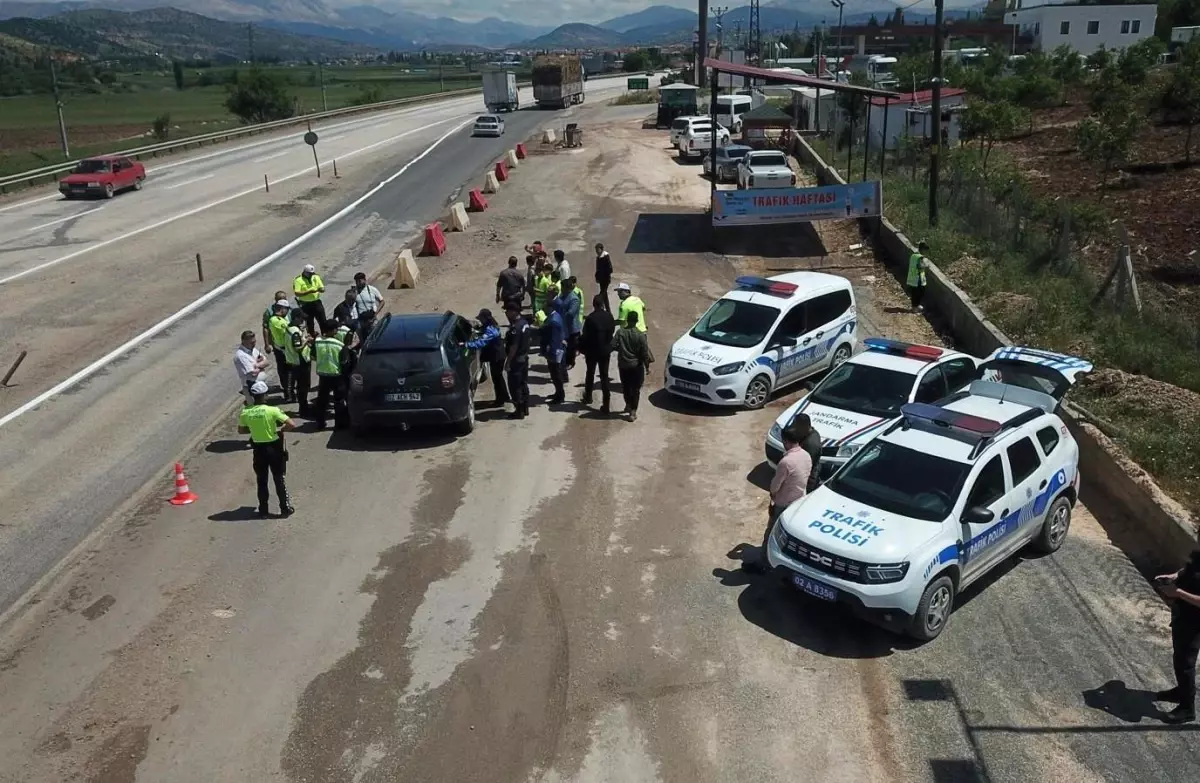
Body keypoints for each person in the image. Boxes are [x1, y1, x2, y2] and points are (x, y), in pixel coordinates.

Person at [746, 422, 813, 573]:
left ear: (786, 441)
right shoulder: (806, 456)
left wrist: (773, 495)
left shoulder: (786, 462)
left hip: (783, 502)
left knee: (771, 533)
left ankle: (764, 563)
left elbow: (775, 485)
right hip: (798, 501)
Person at [237, 380, 296, 518]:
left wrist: (253, 429)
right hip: (274, 447)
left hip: (258, 449)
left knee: (262, 480)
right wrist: (281, 430)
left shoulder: (246, 412)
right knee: (279, 478)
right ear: (265, 395)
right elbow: (291, 424)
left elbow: (241, 430)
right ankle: (284, 509)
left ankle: (263, 510)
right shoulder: (272, 410)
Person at [1154, 549, 1200, 724]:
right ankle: (1181, 691)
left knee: (1186, 663)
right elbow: (1188, 571)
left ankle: (1188, 708)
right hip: (1183, 615)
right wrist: (1173, 576)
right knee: (1179, 657)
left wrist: (1178, 593)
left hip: (1196, 622)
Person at [609, 311, 653, 421]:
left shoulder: (620, 332)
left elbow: (612, 345)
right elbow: (644, 353)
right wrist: (647, 366)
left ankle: (628, 404)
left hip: (623, 365)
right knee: (636, 389)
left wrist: (621, 350)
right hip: (636, 366)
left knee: (626, 387)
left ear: (627, 320)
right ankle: (633, 411)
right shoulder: (640, 335)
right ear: (637, 321)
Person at [467, 309, 509, 408]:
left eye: (481, 318)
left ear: (486, 318)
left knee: (497, 378)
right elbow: (481, 330)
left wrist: (466, 344)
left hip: (497, 357)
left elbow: (481, 343)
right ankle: (504, 396)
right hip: (497, 356)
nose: (480, 320)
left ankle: (501, 399)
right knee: (498, 378)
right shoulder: (491, 325)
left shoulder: (491, 329)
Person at [580, 294, 615, 412]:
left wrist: (582, 348)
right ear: (603, 305)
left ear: (594, 305)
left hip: (592, 351)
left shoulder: (590, 318)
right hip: (605, 351)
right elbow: (611, 332)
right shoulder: (609, 317)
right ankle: (606, 404)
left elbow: (585, 336)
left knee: (590, 373)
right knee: (604, 376)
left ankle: (588, 397)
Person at [312, 322, 346, 429]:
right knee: (339, 401)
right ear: (333, 330)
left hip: (323, 376)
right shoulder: (339, 345)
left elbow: (313, 357)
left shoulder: (317, 342)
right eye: (336, 329)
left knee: (322, 401)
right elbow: (344, 361)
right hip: (336, 375)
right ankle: (339, 425)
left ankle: (320, 423)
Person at [504, 302, 533, 419]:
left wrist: (508, 362)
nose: (506, 313)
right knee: (523, 383)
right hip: (524, 358)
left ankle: (519, 411)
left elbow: (513, 347)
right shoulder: (524, 323)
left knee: (515, 385)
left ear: (514, 312)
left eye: (508, 311)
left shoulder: (516, 327)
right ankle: (525, 408)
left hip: (516, 360)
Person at [284, 308, 313, 418]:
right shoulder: (295, 332)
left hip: (295, 362)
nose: (302, 321)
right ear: (296, 318)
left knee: (303, 387)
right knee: (303, 387)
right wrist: (307, 340)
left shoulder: (290, 328)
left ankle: (304, 407)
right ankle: (303, 410)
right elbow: (298, 348)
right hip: (300, 362)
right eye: (301, 318)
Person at [541, 290, 568, 405]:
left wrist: (550, 354)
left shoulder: (553, 321)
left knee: (556, 374)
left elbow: (554, 340)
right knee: (555, 374)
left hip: (555, 352)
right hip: (557, 349)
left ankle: (560, 395)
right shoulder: (555, 316)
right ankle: (558, 392)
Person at [789, 412, 824, 493]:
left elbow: (806, 465)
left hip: (808, 478)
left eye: (797, 427)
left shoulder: (811, 444)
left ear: (804, 427)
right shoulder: (810, 432)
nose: (795, 429)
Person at [233, 330, 269, 405]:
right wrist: (261, 367)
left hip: (261, 386)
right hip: (251, 387)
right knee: (254, 409)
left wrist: (257, 365)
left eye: (254, 341)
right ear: (244, 341)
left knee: (263, 408)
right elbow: (253, 373)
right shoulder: (241, 355)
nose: (254, 344)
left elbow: (266, 362)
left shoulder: (253, 350)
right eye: (251, 342)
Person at [267, 299, 293, 402]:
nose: (287, 312)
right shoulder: (276, 320)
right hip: (282, 350)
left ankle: (289, 393)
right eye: (286, 309)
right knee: (287, 373)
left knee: (288, 372)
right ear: (282, 309)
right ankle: (288, 394)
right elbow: (287, 330)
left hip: (283, 348)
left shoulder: (280, 319)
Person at [293, 264, 327, 334]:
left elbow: (322, 288)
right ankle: (312, 339)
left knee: (323, 321)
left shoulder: (316, 277)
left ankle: (325, 336)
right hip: (305, 304)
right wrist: (308, 292)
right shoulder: (298, 280)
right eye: (309, 274)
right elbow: (297, 293)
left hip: (316, 303)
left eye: (312, 273)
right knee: (309, 323)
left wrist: (321, 289)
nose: (311, 275)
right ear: (305, 272)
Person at [559, 276, 583, 370]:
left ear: (567, 288)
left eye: (562, 288)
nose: (561, 289)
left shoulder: (574, 299)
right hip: (564, 326)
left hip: (572, 328)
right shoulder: (562, 295)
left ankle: (570, 362)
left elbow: (571, 313)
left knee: (571, 347)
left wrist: (560, 315)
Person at [352, 272, 384, 338]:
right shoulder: (354, 292)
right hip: (361, 321)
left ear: (364, 280)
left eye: (359, 281)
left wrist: (375, 313)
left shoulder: (372, 289)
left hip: (373, 319)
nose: (358, 283)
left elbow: (382, 301)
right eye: (356, 281)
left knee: (376, 337)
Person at [907, 241, 930, 313]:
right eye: (925, 250)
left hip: (913, 278)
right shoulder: (920, 257)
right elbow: (919, 266)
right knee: (918, 293)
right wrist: (926, 265)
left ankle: (916, 306)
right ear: (922, 249)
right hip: (917, 278)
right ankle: (915, 307)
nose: (926, 252)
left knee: (915, 293)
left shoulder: (914, 255)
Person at [594, 243, 613, 312]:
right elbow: (597, 269)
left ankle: (600, 307)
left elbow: (610, 269)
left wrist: (605, 275)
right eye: (595, 250)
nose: (596, 251)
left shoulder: (606, 257)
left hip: (606, 279)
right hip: (601, 279)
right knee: (604, 294)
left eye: (597, 249)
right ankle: (608, 310)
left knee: (602, 293)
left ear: (601, 249)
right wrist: (597, 277)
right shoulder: (598, 257)